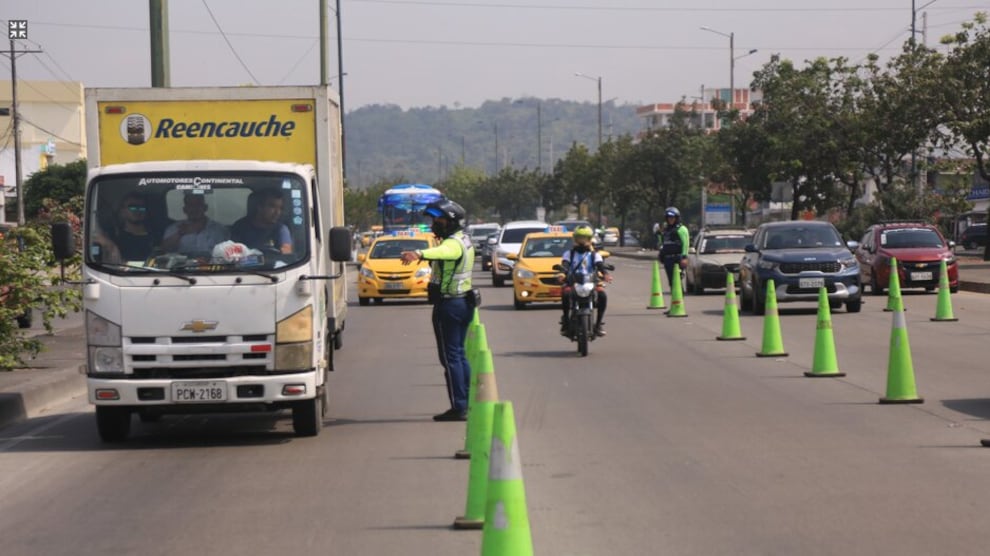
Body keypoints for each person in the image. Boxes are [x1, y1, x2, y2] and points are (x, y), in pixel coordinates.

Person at [399, 199, 475, 422]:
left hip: (449, 305)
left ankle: (459, 406)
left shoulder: (452, 244)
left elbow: (445, 252)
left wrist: (418, 254)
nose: (434, 224)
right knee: (459, 355)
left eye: (438, 220)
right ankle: (466, 401)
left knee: (450, 357)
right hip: (462, 304)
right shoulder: (465, 240)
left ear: (450, 221)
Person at [558, 225, 612, 337]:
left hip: (591, 282)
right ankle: (566, 321)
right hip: (573, 283)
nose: (582, 241)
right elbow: (565, 265)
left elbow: (600, 265)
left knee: (602, 295)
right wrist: (562, 274)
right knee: (565, 293)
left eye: (585, 238)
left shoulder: (594, 255)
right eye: (580, 238)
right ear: (575, 239)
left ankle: (598, 324)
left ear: (590, 239)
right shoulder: (569, 254)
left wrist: (606, 274)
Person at [161, 192, 229, 254]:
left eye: (198, 205)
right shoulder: (174, 229)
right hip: (181, 266)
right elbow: (165, 249)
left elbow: (228, 253)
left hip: (214, 266)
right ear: (184, 209)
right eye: (190, 205)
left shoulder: (220, 230)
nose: (194, 209)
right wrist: (180, 233)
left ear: (205, 207)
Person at [230, 189, 293, 254]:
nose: (277, 212)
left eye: (280, 208)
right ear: (260, 207)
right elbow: (231, 252)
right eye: (272, 206)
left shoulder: (281, 229)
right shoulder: (240, 226)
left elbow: (287, 252)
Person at [109, 193, 159, 262]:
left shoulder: (156, 235)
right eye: (132, 207)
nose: (137, 210)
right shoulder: (115, 237)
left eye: (142, 208)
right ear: (123, 211)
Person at [657, 206, 690, 291]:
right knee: (671, 282)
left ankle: (679, 299)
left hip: (677, 258)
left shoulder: (681, 229)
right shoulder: (665, 230)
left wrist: (684, 257)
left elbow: (685, 244)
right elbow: (663, 243)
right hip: (667, 259)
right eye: (669, 218)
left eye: (672, 217)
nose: (670, 219)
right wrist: (661, 254)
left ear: (676, 218)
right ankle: (675, 299)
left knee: (677, 280)